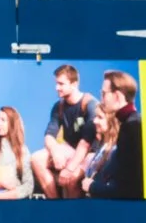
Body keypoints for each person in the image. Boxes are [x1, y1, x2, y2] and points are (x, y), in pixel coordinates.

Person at [32, 64, 100, 199]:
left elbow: (85, 143)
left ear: (74, 84)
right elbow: (49, 136)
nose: (57, 88)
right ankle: (55, 204)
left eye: (61, 84)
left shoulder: (90, 104)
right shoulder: (59, 106)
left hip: (90, 154)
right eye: (56, 83)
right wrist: (55, 151)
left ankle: (73, 214)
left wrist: (69, 169)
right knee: (36, 159)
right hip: (70, 150)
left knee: (72, 177)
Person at [84, 69, 144, 200]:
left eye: (104, 93)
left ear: (117, 96)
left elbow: (128, 190)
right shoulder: (132, 122)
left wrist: (92, 187)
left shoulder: (131, 127)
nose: (101, 98)